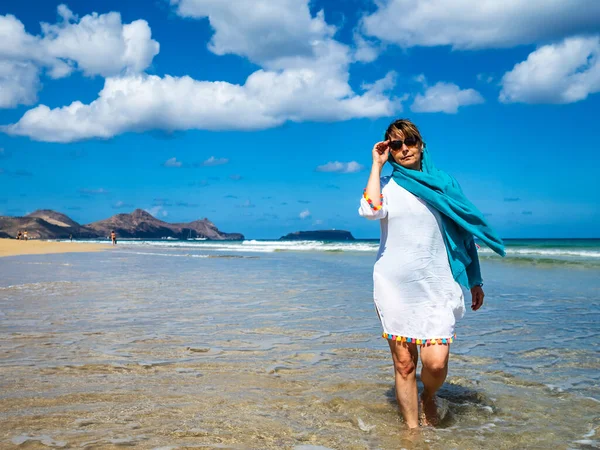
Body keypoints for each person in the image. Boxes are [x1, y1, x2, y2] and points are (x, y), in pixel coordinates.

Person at [359, 119, 505, 428]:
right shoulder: (387, 185)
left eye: (409, 141)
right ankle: (412, 433)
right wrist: (376, 164)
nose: (404, 149)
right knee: (404, 364)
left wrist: (475, 279)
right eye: (396, 145)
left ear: (421, 144)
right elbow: (371, 209)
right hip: (394, 286)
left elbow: (464, 233)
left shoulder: (445, 184)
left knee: (435, 364)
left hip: (437, 283)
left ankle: (429, 395)